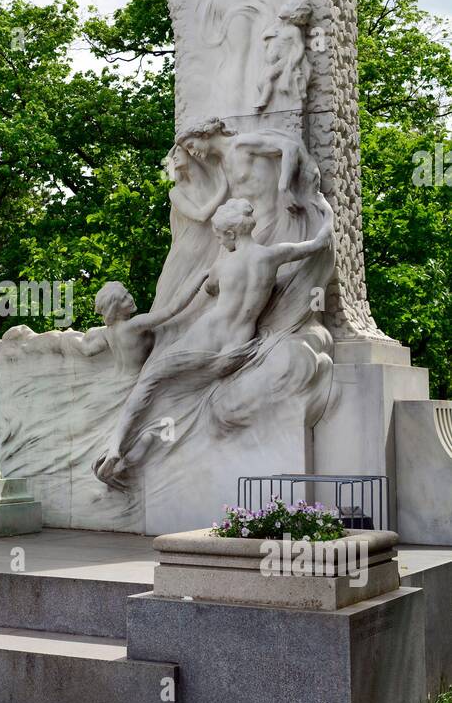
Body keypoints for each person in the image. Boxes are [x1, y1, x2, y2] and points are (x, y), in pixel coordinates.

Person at [94, 196, 334, 486]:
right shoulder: (272, 255)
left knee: (149, 382)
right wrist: (326, 210)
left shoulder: (222, 266)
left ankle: (115, 449)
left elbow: (206, 291)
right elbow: (319, 243)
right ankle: (139, 449)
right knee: (178, 396)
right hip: (238, 348)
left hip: (206, 338)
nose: (220, 242)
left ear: (231, 233)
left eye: (220, 236)